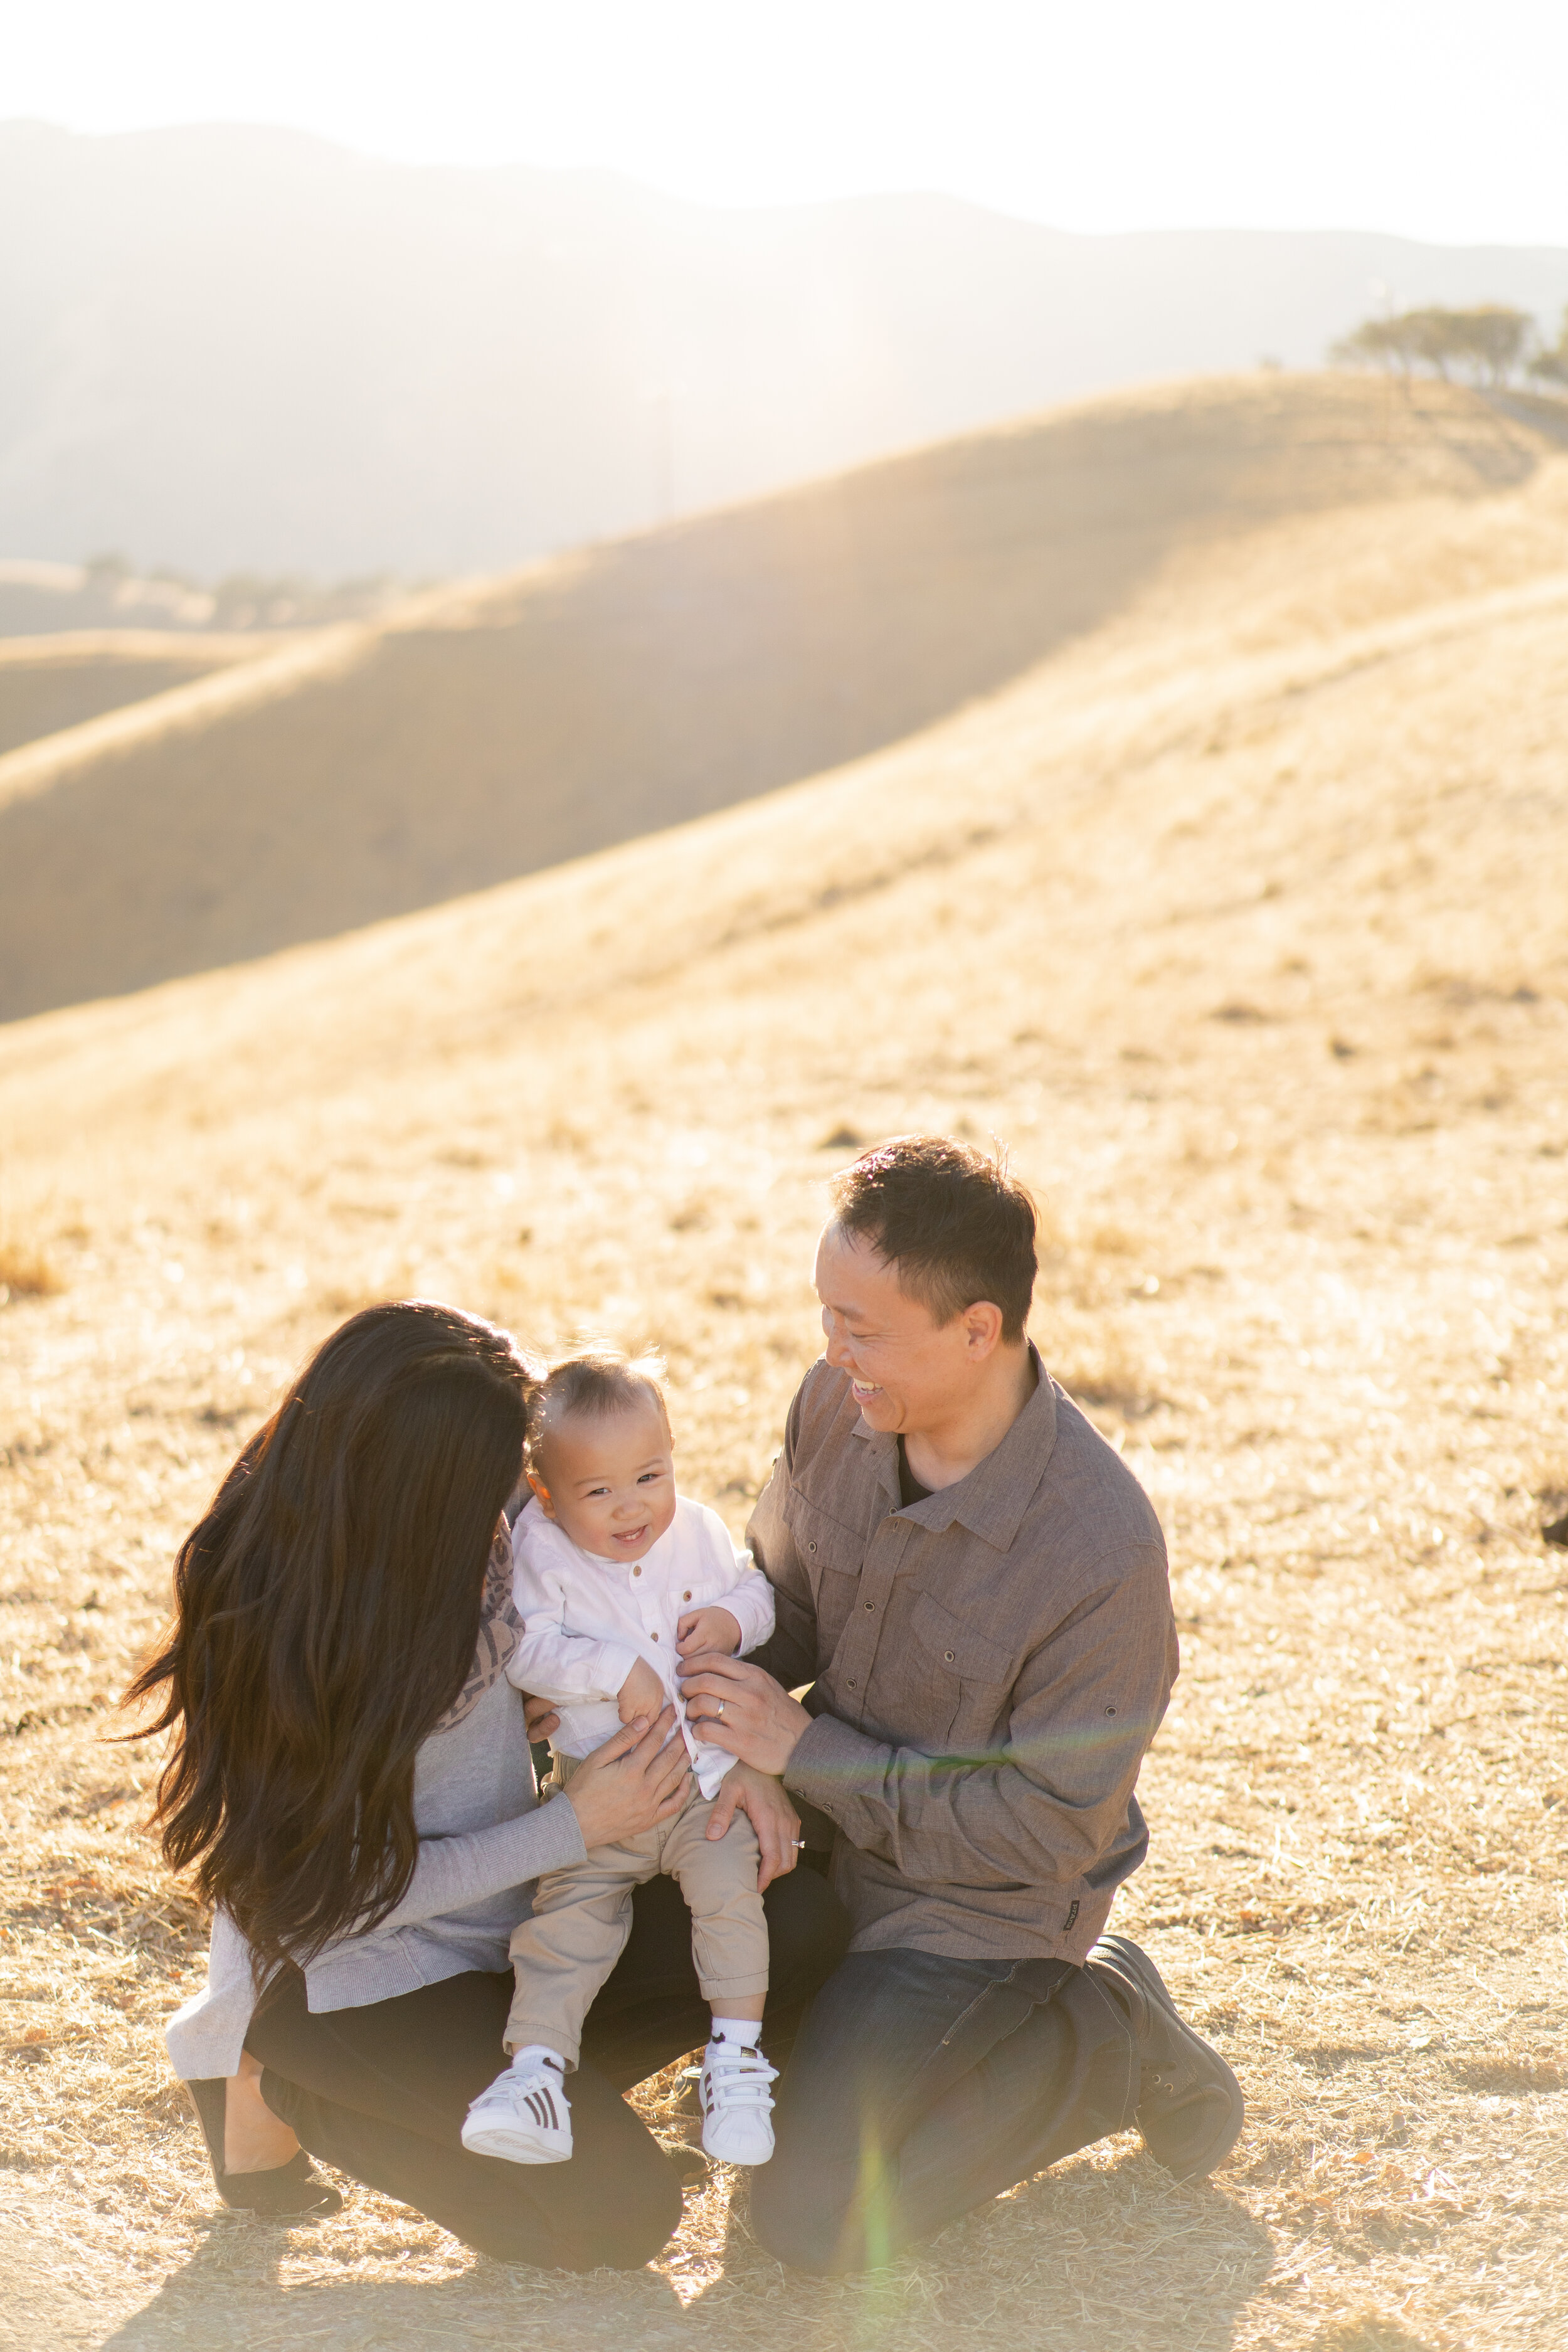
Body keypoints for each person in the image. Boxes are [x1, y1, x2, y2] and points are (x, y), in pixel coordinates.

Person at [128, 1301, 847, 2268]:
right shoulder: (278, 1632)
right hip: (365, 1978)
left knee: (799, 1917)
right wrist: (573, 1822)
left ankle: (525, 2097)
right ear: (421, 1493)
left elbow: (647, 1598)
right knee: (621, 2214)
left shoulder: (499, 1526)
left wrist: (747, 1764)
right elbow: (323, 1895)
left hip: (519, 1927)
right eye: (502, 1480)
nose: (526, 1498)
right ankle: (287, 2078)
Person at [679, 1136, 1244, 2275]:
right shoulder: (835, 1412)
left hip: (979, 1914)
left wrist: (803, 1749)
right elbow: (784, 1603)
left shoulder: (1099, 1550)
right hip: (817, 1844)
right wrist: (715, 1682)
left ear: (978, 1329)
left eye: (864, 1327)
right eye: (826, 1315)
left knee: (810, 2223)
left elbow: (1044, 1831)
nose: (832, 1352)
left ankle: (1111, 2032)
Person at [460, 1353, 780, 2169]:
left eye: (650, 1473)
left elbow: (759, 1593)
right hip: (595, 1789)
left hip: (700, 1778)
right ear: (545, 1491)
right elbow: (526, 1648)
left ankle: (737, 2058)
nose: (631, 1504)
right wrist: (616, 1672)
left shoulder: (697, 1530)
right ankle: (535, 2075)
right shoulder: (541, 1552)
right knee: (567, 1921)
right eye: (598, 1491)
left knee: (731, 1894)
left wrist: (730, 1620)